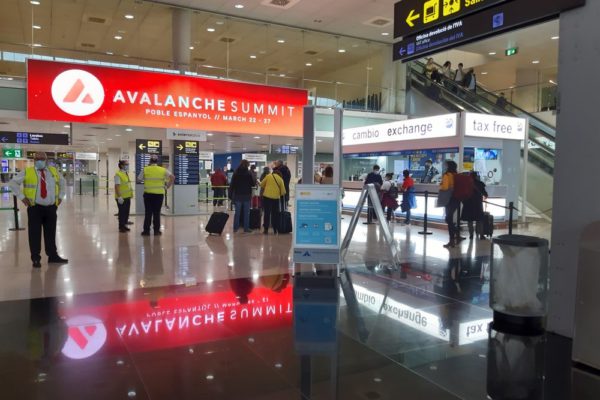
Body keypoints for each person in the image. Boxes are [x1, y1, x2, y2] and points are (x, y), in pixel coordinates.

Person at [9, 151, 68, 268]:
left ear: (46, 160)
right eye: (38, 158)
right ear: (34, 160)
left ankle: (53, 256)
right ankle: (35, 258)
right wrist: (22, 197)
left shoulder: (53, 171)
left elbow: (62, 182)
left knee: (51, 233)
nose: (40, 160)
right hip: (35, 208)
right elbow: (13, 183)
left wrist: (60, 197)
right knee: (34, 233)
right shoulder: (28, 172)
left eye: (42, 158)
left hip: (51, 208)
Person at [137, 154, 174, 236]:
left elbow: (139, 179)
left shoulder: (145, 169)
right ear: (157, 161)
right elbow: (172, 177)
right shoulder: (162, 170)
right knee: (157, 213)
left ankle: (146, 231)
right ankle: (156, 231)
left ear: (150, 161)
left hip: (148, 194)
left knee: (148, 213)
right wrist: (167, 186)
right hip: (159, 194)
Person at [230, 159, 255, 233]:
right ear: (247, 165)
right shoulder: (249, 173)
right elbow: (252, 184)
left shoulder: (236, 173)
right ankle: (246, 228)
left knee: (237, 213)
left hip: (238, 195)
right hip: (247, 195)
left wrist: (230, 195)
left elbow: (232, 184)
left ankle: (235, 228)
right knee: (246, 213)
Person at [461, 172, 488, 240]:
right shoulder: (480, 183)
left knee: (470, 220)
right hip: (478, 204)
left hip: (468, 204)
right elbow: (485, 194)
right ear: (476, 176)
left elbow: (463, 194)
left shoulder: (466, 184)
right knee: (479, 220)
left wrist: (463, 201)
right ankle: (480, 234)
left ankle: (471, 235)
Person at [440, 160, 459, 248]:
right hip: (456, 198)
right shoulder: (456, 175)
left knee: (448, 219)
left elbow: (445, 187)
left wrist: (441, 184)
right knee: (449, 219)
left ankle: (453, 239)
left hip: (449, 199)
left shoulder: (447, 175)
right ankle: (455, 235)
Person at [260, 170, 286, 235]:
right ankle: (275, 229)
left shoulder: (268, 176)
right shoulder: (280, 179)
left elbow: (261, 184)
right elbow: (283, 192)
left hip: (267, 197)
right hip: (276, 198)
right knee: (275, 214)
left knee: (267, 213)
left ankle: (266, 230)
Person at [114, 160, 133, 233]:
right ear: (121, 165)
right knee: (122, 212)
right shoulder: (118, 174)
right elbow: (117, 186)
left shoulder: (125, 173)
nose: (127, 166)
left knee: (126, 212)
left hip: (127, 196)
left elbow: (127, 185)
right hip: (121, 197)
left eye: (128, 164)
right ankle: (121, 227)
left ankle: (124, 225)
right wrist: (119, 196)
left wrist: (131, 194)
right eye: (126, 164)